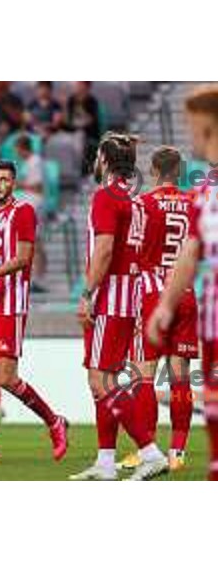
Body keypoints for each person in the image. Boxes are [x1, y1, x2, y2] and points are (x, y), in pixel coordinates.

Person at [70, 132, 168, 481]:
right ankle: (105, 461)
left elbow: (105, 250)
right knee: (106, 378)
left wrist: (86, 293)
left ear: (104, 161)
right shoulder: (136, 199)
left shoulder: (105, 197)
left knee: (100, 380)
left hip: (110, 296)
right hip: (132, 295)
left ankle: (149, 451)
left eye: (99, 155)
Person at [0, 160, 68, 463]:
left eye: (4, 179)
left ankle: (54, 421)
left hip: (11, 305)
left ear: (13, 183)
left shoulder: (24, 212)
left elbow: (23, 258)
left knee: (5, 378)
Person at [147, 85, 218, 480]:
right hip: (210, 323)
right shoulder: (203, 194)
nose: (189, 134)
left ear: (208, 127)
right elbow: (190, 252)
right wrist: (166, 305)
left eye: (193, 125)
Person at [118, 146, 198, 473]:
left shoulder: (143, 204)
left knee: (144, 378)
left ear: (152, 171)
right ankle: (177, 452)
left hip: (153, 294)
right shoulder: (194, 203)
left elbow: (131, 252)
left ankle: (147, 451)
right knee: (180, 378)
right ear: (178, 172)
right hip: (187, 294)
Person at [15, 135, 47, 289]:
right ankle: (34, 277)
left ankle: (39, 278)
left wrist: (19, 185)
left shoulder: (35, 161)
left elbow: (38, 187)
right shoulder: (27, 163)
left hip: (35, 204)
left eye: (18, 150)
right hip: (27, 205)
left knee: (35, 241)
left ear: (22, 148)